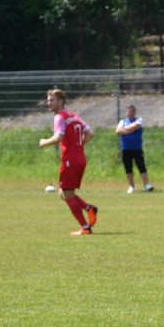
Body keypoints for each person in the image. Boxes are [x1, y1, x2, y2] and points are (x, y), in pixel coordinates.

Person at [38, 88, 98, 236]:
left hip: (70, 160)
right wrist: (78, 146)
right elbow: (90, 134)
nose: (48, 103)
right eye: (48, 100)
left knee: (67, 194)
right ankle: (88, 208)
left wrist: (44, 142)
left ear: (61, 101)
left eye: (52, 100)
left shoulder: (60, 117)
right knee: (63, 193)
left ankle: (85, 227)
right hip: (80, 158)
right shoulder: (75, 116)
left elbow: (58, 137)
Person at [115, 105, 154, 194]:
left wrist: (125, 130)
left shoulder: (139, 120)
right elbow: (118, 131)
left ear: (135, 112)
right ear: (126, 112)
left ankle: (147, 185)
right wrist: (129, 130)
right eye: (129, 111)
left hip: (137, 148)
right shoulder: (122, 121)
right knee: (128, 168)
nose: (130, 113)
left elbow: (136, 126)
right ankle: (131, 186)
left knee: (141, 167)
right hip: (126, 149)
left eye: (132, 111)